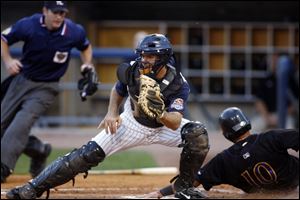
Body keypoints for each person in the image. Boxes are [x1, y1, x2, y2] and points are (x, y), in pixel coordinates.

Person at [5, 33, 210, 199]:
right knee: (83, 156)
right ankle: (32, 188)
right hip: (132, 123)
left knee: (198, 135)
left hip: (163, 127)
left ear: (162, 58)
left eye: (149, 56)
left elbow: (174, 123)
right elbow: (117, 90)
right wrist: (112, 113)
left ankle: (183, 190)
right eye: (143, 55)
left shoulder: (178, 83)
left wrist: (160, 113)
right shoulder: (132, 69)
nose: (144, 60)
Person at [1, 1, 98, 183]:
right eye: (55, 12)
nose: (59, 16)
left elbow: (85, 46)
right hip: (22, 80)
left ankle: (3, 167)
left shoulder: (73, 31)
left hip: (47, 86)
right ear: (45, 11)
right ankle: (39, 150)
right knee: (2, 127)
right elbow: (4, 38)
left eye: (63, 13)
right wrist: (8, 61)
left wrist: (87, 63)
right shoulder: (28, 24)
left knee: (20, 124)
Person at [145, 107, 299, 199]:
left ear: (226, 134)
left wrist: (160, 192)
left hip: (263, 194)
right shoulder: (270, 137)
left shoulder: (224, 161)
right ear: (246, 122)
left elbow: (191, 181)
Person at [252, 53, 298, 133]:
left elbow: (295, 104)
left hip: (286, 116)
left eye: (276, 61)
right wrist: (267, 117)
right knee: (251, 128)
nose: (274, 63)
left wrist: (281, 116)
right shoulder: (266, 79)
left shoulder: (291, 81)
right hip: (267, 115)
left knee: (290, 131)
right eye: (273, 61)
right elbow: (259, 102)